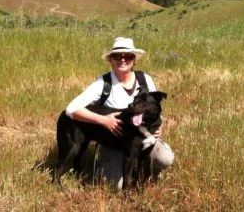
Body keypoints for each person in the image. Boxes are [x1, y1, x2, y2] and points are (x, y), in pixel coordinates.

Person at [65, 37, 174, 189]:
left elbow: (153, 105)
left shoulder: (145, 79)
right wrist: (103, 120)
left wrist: (159, 124)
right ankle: (101, 164)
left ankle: (147, 175)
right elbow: (71, 109)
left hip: (141, 139)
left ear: (134, 60)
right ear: (110, 59)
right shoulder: (103, 83)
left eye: (128, 56)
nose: (123, 59)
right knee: (116, 185)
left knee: (165, 157)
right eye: (117, 56)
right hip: (113, 142)